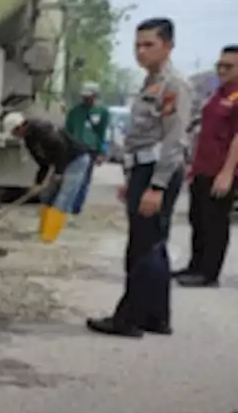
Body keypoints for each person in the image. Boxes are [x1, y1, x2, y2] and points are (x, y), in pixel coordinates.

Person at [87, 18, 189, 339]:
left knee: (142, 248)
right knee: (153, 245)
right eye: (137, 45)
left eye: (149, 45)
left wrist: (156, 186)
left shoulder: (174, 85)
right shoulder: (150, 83)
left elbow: (174, 141)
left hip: (158, 172)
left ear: (168, 46)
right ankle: (156, 317)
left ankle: (127, 318)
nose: (141, 51)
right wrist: (132, 178)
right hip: (143, 170)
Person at [175, 45, 238, 288]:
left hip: (221, 170)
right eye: (219, 65)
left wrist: (227, 173)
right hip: (202, 168)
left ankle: (208, 273)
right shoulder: (219, 94)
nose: (222, 70)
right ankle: (195, 265)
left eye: (228, 66)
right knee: (198, 218)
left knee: (215, 222)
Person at [3, 112, 92, 243]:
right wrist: (37, 183)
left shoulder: (43, 129)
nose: (15, 136)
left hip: (75, 160)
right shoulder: (29, 141)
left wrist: (59, 173)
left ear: (20, 127)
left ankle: (49, 236)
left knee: (64, 197)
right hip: (60, 161)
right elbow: (43, 163)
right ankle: (43, 231)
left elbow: (61, 148)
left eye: (14, 133)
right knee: (46, 196)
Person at [65, 82, 110, 216]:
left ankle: (76, 207)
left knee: (84, 179)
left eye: (89, 97)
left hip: (91, 148)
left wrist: (102, 151)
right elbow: (68, 130)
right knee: (72, 178)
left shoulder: (102, 112)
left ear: (95, 96)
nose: (86, 99)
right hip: (74, 148)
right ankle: (68, 205)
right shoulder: (74, 111)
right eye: (84, 97)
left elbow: (102, 133)